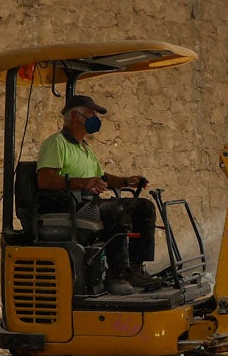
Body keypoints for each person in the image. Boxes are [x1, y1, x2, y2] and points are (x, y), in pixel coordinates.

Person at [36, 93, 155, 296]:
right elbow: (44, 179)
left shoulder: (85, 148)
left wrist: (126, 181)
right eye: (91, 114)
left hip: (88, 204)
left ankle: (134, 268)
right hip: (69, 207)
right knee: (115, 211)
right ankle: (116, 274)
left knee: (144, 207)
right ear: (75, 116)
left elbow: (102, 177)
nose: (95, 120)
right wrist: (81, 183)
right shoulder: (56, 143)